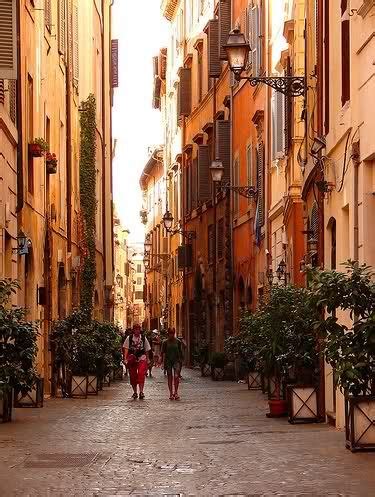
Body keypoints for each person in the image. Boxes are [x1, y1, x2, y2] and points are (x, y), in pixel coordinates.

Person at [123, 324, 151, 400]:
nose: (137, 331)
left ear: (140, 330)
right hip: (132, 358)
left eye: (138, 329)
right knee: (133, 375)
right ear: (133, 330)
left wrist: (148, 359)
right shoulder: (129, 338)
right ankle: (135, 392)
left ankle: (141, 392)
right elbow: (126, 348)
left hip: (142, 357)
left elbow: (147, 349)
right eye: (135, 329)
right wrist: (125, 358)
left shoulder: (143, 338)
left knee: (141, 374)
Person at [160, 327, 184, 400]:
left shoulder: (178, 341)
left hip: (176, 360)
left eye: (173, 333)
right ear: (168, 333)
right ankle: (171, 393)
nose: (171, 334)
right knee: (170, 377)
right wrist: (163, 363)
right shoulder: (165, 342)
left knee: (176, 376)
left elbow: (180, 351)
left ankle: (176, 392)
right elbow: (163, 353)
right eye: (170, 333)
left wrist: (181, 361)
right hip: (168, 361)